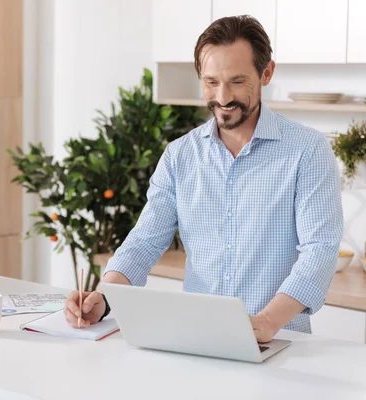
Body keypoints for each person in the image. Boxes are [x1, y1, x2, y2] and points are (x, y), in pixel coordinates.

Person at [63, 15, 343, 343]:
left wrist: (267, 322)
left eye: (237, 81)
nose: (222, 97)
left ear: (266, 73)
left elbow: (320, 249)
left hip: (278, 342)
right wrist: (105, 296)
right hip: (198, 340)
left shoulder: (307, 151)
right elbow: (145, 241)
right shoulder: (180, 156)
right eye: (211, 82)